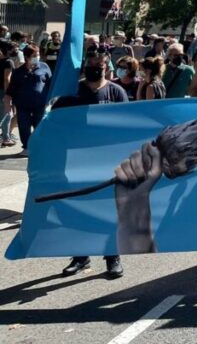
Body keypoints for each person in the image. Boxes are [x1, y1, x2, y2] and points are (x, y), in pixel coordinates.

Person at [54, 51, 129, 277]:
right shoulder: (72, 92)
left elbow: (128, 123)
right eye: (91, 64)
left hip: (107, 162)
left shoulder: (116, 92)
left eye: (100, 64)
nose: (95, 67)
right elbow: (56, 123)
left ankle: (112, 256)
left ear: (107, 66)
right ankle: (80, 256)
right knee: (79, 208)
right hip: (78, 162)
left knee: (108, 211)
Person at [8, 44, 51, 154]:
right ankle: (27, 147)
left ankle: (39, 147)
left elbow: (50, 83)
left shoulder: (44, 67)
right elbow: (11, 89)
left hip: (40, 104)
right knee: (24, 126)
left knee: (39, 126)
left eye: (38, 55)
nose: (37, 57)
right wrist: (8, 104)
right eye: (35, 55)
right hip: (22, 105)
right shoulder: (18, 72)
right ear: (27, 57)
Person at [0, 41, 16, 147]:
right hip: (3, 91)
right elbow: (7, 79)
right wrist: (8, 94)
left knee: (6, 115)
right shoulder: (8, 62)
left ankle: (6, 138)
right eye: (12, 48)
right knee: (5, 115)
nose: (14, 50)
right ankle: (5, 138)